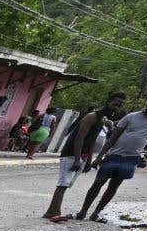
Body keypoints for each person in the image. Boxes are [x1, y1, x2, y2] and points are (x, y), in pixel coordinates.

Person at [77, 93, 147, 222]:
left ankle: (96, 213)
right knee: (98, 184)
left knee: (113, 187)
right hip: (114, 155)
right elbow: (113, 137)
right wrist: (99, 157)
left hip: (131, 158)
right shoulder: (131, 117)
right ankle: (82, 212)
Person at [44, 93, 124, 222]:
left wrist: (88, 160)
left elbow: (92, 140)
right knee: (63, 184)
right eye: (115, 104)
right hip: (71, 153)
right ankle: (53, 212)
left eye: (119, 106)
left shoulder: (102, 119)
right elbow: (79, 138)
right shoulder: (92, 116)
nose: (116, 108)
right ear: (108, 101)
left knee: (67, 183)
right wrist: (76, 159)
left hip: (83, 155)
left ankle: (52, 212)